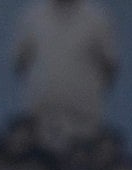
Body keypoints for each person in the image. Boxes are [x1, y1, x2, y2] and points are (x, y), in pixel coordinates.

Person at [12, 0, 118, 155]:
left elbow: (109, 67)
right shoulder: (32, 16)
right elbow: (20, 63)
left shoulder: (96, 19)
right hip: (40, 123)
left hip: (84, 123)